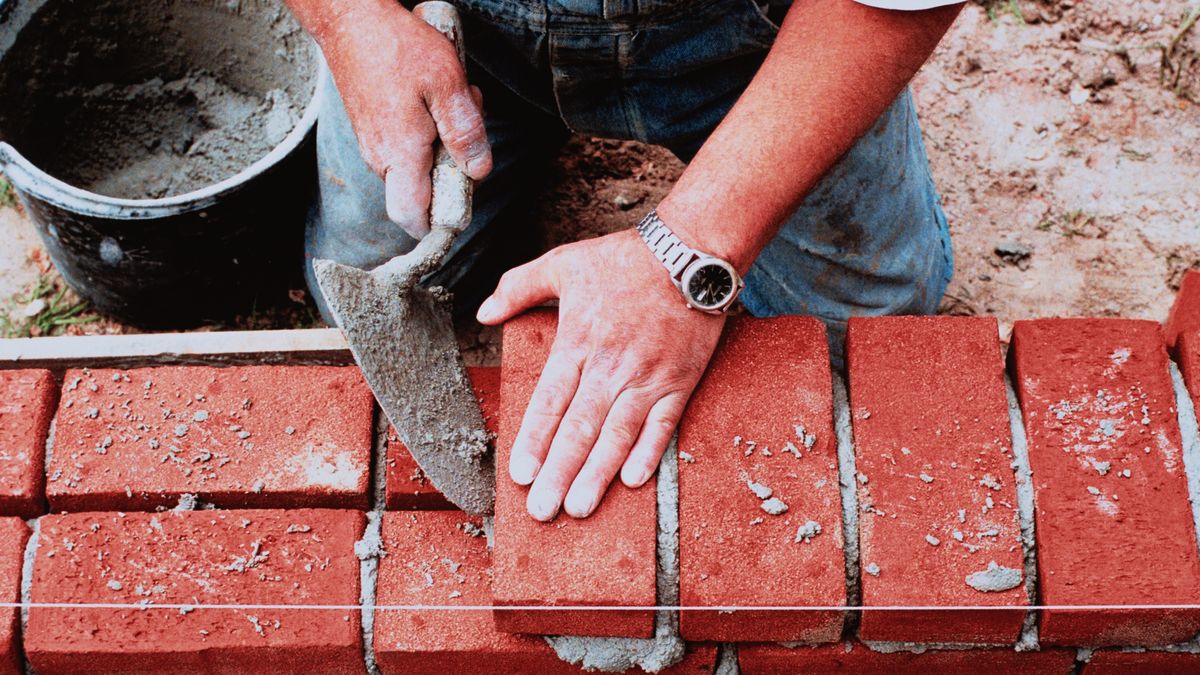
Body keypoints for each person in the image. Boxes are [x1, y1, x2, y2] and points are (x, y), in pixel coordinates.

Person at [285, 0, 964, 522]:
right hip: (464, 34)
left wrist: (690, 250)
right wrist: (354, 22)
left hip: (750, 37)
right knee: (369, 259)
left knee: (867, 326)